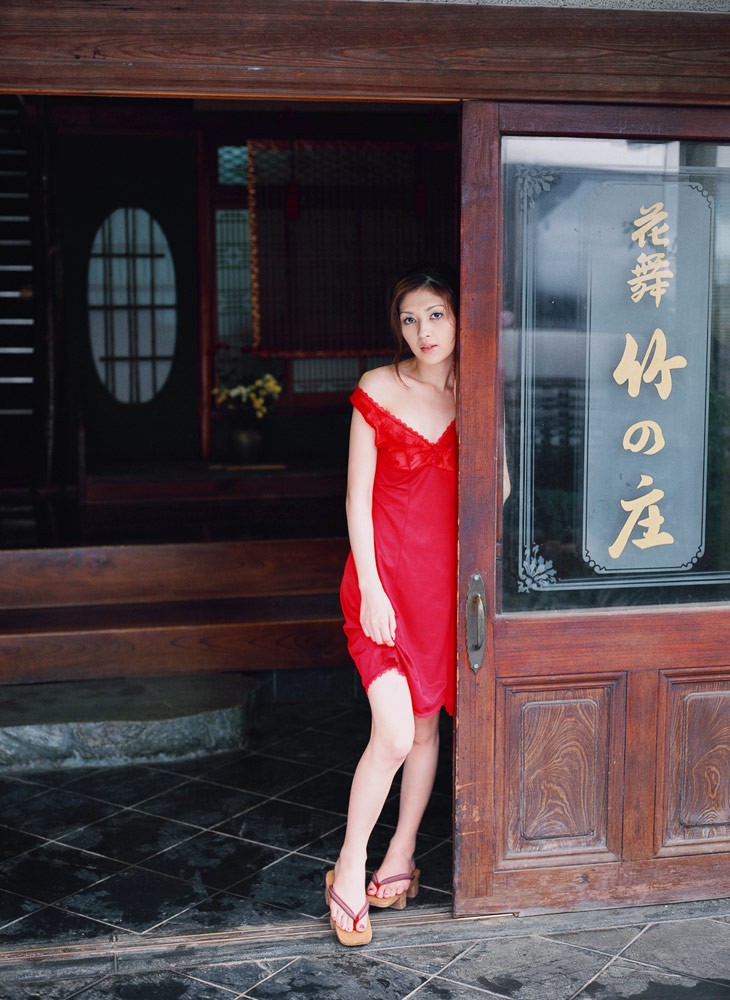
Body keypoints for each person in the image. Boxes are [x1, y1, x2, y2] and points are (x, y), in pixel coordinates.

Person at [326, 264, 459, 946]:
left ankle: (401, 853)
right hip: (382, 587)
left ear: (459, 317)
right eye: (410, 319)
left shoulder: (477, 395)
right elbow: (356, 499)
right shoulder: (379, 387)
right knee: (397, 732)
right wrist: (373, 589)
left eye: (435, 315)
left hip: (442, 594)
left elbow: (497, 495)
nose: (423, 331)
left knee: (428, 732)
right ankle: (350, 866)